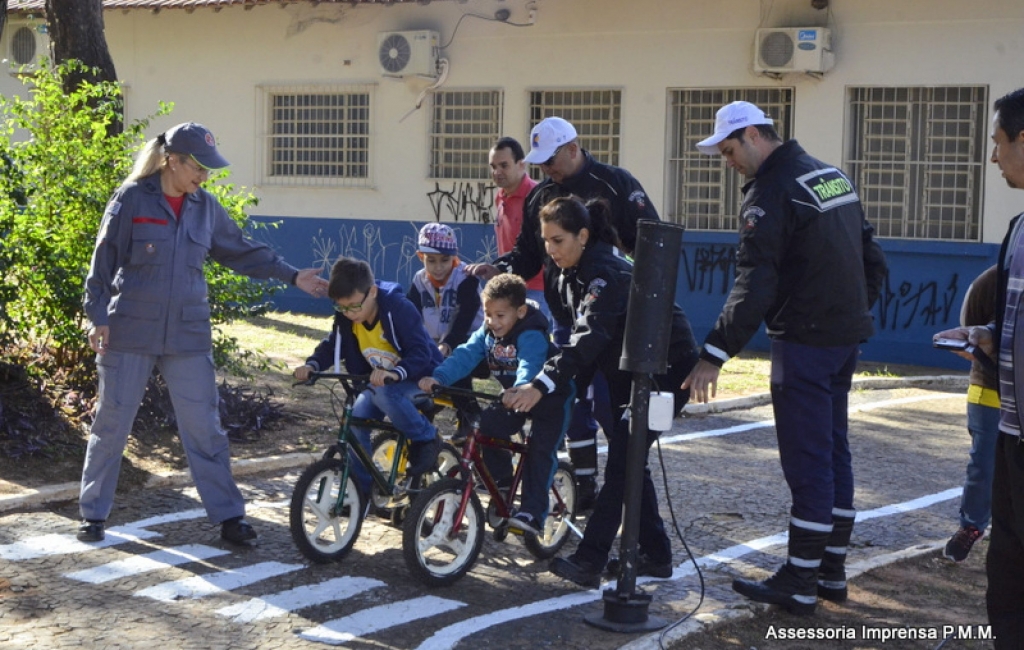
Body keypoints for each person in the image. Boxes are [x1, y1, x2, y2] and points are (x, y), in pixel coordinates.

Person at [682, 101, 888, 615]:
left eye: (729, 150)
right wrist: (852, 314)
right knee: (833, 449)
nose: (728, 162)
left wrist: (714, 352)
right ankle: (831, 569)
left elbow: (755, 281)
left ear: (753, 136)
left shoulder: (771, 191)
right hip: (842, 337)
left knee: (808, 459)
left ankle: (798, 579)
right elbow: (873, 258)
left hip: (804, 342)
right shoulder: (830, 175)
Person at [79, 122, 328, 545]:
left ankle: (230, 518)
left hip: (188, 333)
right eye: (197, 167)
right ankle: (93, 513)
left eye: (207, 170)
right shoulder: (132, 199)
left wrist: (291, 276)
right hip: (130, 330)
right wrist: (95, 315)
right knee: (112, 422)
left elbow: (242, 250)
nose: (204, 177)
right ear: (172, 161)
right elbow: (101, 264)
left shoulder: (205, 207)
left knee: (205, 428)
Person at [498, 196, 697, 588]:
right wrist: (545, 386)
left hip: (667, 374)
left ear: (583, 235)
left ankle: (590, 559)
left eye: (558, 240)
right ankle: (657, 555)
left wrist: (543, 385)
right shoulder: (576, 270)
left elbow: (590, 337)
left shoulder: (603, 271)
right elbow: (579, 348)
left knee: (623, 463)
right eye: (546, 241)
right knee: (629, 461)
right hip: (630, 373)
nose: (550, 250)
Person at [468, 117, 658, 507]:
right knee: (566, 403)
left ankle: (633, 506)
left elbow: (653, 246)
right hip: (566, 319)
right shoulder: (542, 197)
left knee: (613, 415)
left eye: (552, 160)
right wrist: (500, 268)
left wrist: (643, 309)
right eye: (540, 164)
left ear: (574, 148)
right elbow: (527, 255)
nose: (547, 170)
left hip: (612, 323)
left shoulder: (615, 183)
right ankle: (582, 488)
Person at [935, 87, 1024, 647]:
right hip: (1013, 435)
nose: (993, 157)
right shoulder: (1018, 228)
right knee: (1008, 579)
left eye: (998, 143)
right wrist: (987, 338)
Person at [418, 273, 573, 535]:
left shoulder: (531, 333)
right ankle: (501, 481)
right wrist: (439, 377)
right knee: (483, 426)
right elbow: (465, 355)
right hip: (513, 397)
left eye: (500, 315)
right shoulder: (487, 334)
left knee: (539, 452)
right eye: (488, 314)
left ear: (520, 311)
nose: (492, 321)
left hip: (550, 398)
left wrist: (521, 386)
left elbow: (530, 363)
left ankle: (532, 514)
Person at [293, 256, 443, 496]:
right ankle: (360, 491)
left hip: (421, 378)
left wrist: (395, 373)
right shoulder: (346, 315)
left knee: (384, 393)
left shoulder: (399, 308)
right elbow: (334, 344)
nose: (348, 313)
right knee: (353, 422)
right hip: (379, 383)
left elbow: (420, 353)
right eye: (341, 307)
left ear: (372, 291)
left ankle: (427, 439)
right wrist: (312, 365)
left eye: (353, 305)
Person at [407, 222, 484, 442]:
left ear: (455, 256)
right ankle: (427, 409)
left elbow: (465, 317)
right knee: (418, 364)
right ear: (420, 256)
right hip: (435, 341)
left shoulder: (465, 277)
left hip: (471, 340)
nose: (438, 267)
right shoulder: (419, 280)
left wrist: (448, 343)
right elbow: (411, 315)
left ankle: (469, 413)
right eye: (431, 260)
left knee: (457, 362)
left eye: (444, 260)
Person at [942, 265, 999, 563]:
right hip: (989, 389)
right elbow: (968, 329)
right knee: (983, 467)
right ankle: (971, 528)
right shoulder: (990, 282)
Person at [488, 137, 549, 322]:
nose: (497, 172)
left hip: (538, 288)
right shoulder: (500, 196)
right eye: (493, 166)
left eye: (504, 165)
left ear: (521, 165)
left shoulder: (537, 197)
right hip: (510, 286)